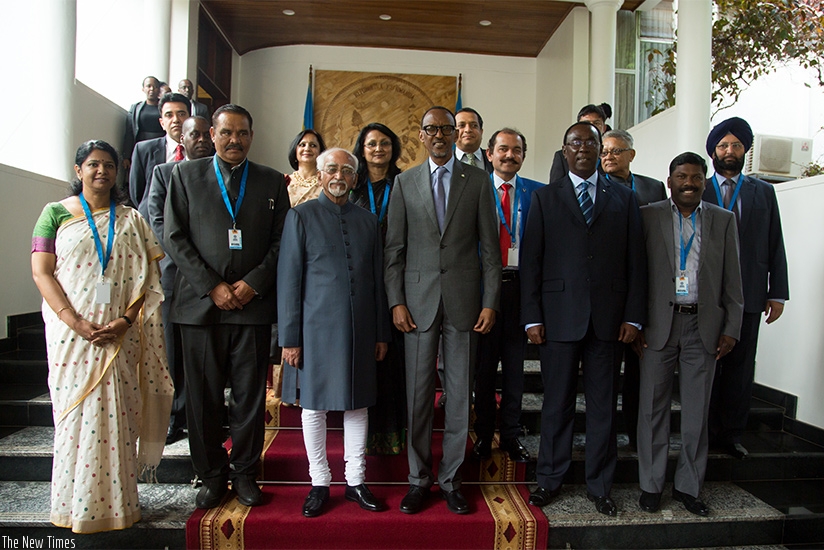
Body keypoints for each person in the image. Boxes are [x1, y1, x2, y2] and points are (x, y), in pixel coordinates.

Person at [30, 140, 173, 533]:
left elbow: (148, 280)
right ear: (78, 171)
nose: (101, 172)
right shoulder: (55, 214)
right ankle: (70, 507)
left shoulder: (132, 218)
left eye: (109, 165)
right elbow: (42, 271)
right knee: (75, 416)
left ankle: (120, 504)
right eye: (93, 164)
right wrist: (73, 321)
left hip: (120, 335)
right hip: (71, 337)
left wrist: (127, 320)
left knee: (119, 417)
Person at [164, 104, 290, 509]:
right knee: (202, 399)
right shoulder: (183, 176)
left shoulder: (271, 181)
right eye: (226, 133)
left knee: (249, 398)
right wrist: (212, 286)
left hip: (252, 308)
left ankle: (245, 473)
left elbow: (281, 241)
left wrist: (253, 284)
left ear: (252, 136)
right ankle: (213, 474)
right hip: (200, 308)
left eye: (242, 133)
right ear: (212, 135)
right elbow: (174, 236)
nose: (234, 140)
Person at [521, 121, 646, 516]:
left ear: (600, 148)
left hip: (609, 321)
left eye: (591, 142)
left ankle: (600, 486)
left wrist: (634, 317)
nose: (583, 148)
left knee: (603, 407)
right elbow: (531, 263)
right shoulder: (545, 198)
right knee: (555, 404)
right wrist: (531, 318)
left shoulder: (624, 197)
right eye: (575, 142)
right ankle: (549, 481)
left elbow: (636, 263)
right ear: (564, 150)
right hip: (557, 319)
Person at [384, 106, 501, 516]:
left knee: (457, 398)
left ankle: (451, 480)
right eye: (431, 129)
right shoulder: (404, 182)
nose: (439, 135)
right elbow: (394, 250)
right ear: (420, 135)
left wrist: (490, 302)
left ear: (456, 134)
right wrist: (396, 300)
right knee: (417, 397)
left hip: (465, 304)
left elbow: (490, 249)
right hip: (416, 305)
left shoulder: (478, 181)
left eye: (445, 129)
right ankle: (418, 480)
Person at [279, 148, 392, 518]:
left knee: (357, 403)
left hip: (360, 328)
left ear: (355, 178)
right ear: (321, 174)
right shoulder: (300, 216)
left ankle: (356, 481)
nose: (338, 175)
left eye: (346, 170)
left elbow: (377, 281)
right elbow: (289, 280)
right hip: (313, 330)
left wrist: (380, 333)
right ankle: (319, 482)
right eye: (332, 169)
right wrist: (290, 338)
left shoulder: (368, 220)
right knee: (314, 406)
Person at [634, 152, 743, 516]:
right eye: (682, 177)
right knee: (652, 409)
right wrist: (634, 323)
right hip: (657, 326)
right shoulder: (647, 216)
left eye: (696, 177)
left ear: (704, 181)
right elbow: (636, 273)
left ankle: (688, 487)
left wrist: (731, 327)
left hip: (704, 326)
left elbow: (733, 280)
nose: (689, 183)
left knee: (697, 411)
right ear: (670, 181)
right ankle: (651, 484)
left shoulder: (723, 221)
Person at [703, 117, 789, 460]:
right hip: (707, 294)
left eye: (735, 145)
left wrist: (777, 292)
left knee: (740, 367)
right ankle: (704, 432)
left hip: (750, 293)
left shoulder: (763, 192)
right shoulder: (698, 187)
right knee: (707, 365)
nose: (728, 151)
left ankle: (732, 434)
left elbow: (775, 243)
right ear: (713, 152)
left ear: (745, 150)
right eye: (722, 146)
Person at [472, 128, 543, 463]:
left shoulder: (538, 194)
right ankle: (484, 435)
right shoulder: (473, 190)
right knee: (484, 371)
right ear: (489, 154)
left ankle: (512, 436)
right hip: (483, 292)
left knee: (516, 369)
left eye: (516, 150)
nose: (509, 155)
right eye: (502, 149)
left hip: (521, 289)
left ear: (523, 156)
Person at [147, 116, 213, 445]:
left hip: (216, 281)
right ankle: (176, 415)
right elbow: (158, 223)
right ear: (181, 139)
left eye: (205, 134)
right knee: (174, 352)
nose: (200, 139)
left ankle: (205, 414)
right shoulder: (164, 173)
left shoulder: (221, 174)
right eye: (193, 134)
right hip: (178, 277)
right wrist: (192, 262)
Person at [600, 128, 668, 449]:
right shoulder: (595, 188)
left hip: (649, 285)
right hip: (611, 289)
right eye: (604, 152)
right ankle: (607, 434)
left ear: (631, 154)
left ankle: (637, 434)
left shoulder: (653, 187)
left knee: (641, 374)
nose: (608, 157)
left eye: (615, 151)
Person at [351, 122, 407, 455]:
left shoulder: (405, 184)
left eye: (385, 144)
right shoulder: (351, 185)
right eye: (371, 144)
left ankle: (390, 436)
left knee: (392, 366)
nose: (378, 149)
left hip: (396, 282)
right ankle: (358, 438)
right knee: (362, 362)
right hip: (358, 283)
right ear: (362, 148)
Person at [129, 92, 191, 217]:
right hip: (153, 221)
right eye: (169, 115)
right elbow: (137, 193)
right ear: (162, 122)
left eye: (181, 114)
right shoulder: (143, 149)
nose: (176, 120)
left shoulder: (205, 151)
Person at [548, 103, 610, 183]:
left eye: (596, 123)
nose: (591, 127)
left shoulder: (609, 156)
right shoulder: (562, 156)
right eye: (586, 123)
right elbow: (554, 189)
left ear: (604, 128)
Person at [123, 76, 165, 169]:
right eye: (148, 86)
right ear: (143, 89)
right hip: (141, 147)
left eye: (155, 86)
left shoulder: (165, 107)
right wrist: (126, 156)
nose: (152, 89)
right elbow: (129, 132)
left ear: (159, 89)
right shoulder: (135, 108)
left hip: (160, 147)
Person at [286, 129, 327, 206]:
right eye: (302, 145)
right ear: (295, 150)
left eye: (313, 145)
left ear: (320, 152)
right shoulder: (285, 181)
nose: (307, 149)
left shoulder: (326, 183)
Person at [455, 107, 493, 173]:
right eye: (461, 125)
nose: (468, 130)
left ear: (481, 131)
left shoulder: (494, 159)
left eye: (474, 125)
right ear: (454, 132)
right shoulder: (445, 161)